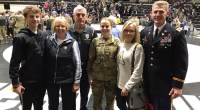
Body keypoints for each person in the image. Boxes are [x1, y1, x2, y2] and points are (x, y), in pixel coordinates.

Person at [140, 1, 188, 110]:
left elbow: (181, 61)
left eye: (161, 12)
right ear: (151, 14)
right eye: (155, 12)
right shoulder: (144, 32)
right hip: (147, 83)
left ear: (167, 13)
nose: (157, 14)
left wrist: (177, 85)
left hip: (165, 85)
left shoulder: (176, 34)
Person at [9, 6, 47, 110]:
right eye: (31, 17)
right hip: (26, 81)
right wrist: (15, 84)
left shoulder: (43, 35)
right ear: (26, 18)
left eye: (37, 16)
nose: (35, 19)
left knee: (39, 106)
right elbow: (14, 62)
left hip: (41, 80)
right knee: (26, 107)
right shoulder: (20, 38)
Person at [45, 17, 82, 110]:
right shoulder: (48, 40)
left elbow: (77, 63)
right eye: (57, 26)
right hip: (52, 80)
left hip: (68, 80)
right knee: (52, 105)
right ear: (54, 27)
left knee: (68, 105)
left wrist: (77, 82)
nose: (60, 28)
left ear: (66, 27)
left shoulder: (73, 42)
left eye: (62, 26)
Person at [87, 17, 120, 110]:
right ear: (100, 27)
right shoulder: (95, 41)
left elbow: (119, 62)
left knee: (110, 104)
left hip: (112, 79)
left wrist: (118, 78)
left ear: (111, 26)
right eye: (102, 26)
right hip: (97, 78)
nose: (105, 28)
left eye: (107, 26)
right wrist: (89, 76)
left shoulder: (117, 42)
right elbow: (90, 60)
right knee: (96, 103)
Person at [68, 5, 97, 110]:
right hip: (71, 69)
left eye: (83, 15)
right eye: (78, 15)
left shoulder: (91, 31)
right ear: (73, 16)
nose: (80, 17)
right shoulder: (67, 30)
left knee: (85, 94)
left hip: (86, 69)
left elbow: (95, 52)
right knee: (71, 94)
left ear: (86, 16)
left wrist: (92, 72)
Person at [116, 19, 145, 110]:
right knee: (120, 105)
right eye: (126, 30)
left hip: (130, 86)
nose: (128, 33)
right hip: (119, 85)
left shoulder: (137, 47)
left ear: (135, 32)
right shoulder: (121, 45)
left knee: (132, 107)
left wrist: (127, 87)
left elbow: (138, 71)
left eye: (131, 31)